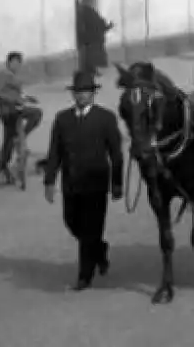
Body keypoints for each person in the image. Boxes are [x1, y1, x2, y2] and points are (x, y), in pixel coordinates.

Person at [43, 71, 123, 291]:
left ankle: (84, 276)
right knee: (72, 222)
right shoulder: (62, 119)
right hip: (71, 183)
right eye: (78, 92)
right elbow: (54, 152)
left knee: (91, 229)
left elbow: (116, 153)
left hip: (96, 184)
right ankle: (99, 250)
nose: (81, 96)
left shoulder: (105, 118)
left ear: (93, 94)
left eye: (85, 92)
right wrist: (49, 181)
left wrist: (117, 183)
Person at [0, 51, 42, 186]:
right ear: (8, 62)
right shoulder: (2, 75)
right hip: (7, 112)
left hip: (17, 110)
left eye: (19, 63)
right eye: (14, 62)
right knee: (8, 138)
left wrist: (27, 98)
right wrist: (16, 99)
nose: (17, 65)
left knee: (36, 113)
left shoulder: (13, 76)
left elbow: (16, 93)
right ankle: (2, 166)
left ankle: (21, 137)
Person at [76, 0, 113, 76]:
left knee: (93, 57)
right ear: (86, 0)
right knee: (90, 56)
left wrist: (106, 27)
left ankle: (91, 70)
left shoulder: (91, 11)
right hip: (90, 39)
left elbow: (99, 24)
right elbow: (89, 25)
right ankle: (88, 72)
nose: (93, 1)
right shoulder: (83, 11)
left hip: (94, 39)